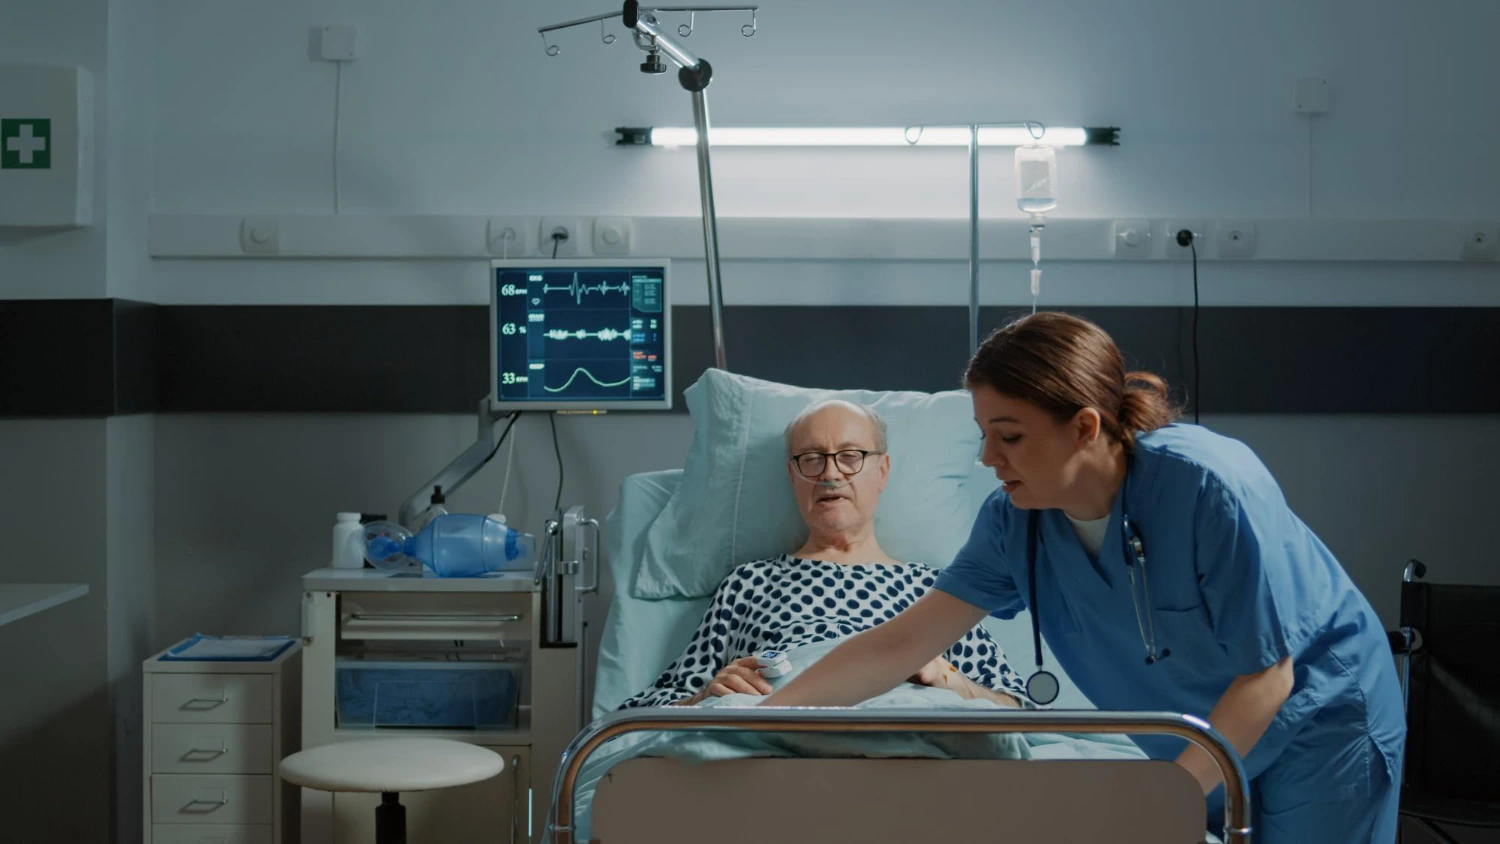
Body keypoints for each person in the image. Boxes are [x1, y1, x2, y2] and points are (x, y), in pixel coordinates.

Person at [763, 313, 1405, 843]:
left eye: (1009, 436)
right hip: (1197, 736)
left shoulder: (1207, 487)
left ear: (1085, 427)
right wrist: (759, 717)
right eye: (984, 435)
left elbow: (1270, 672)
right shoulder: (1015, 521)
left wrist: (1165, 799)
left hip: (1320, 720)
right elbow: (902, 643)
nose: (988, 459)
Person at [619, 399, 1025, 709]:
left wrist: (951, 681)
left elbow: (1019, 709)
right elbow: (648, 711)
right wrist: (706, 696)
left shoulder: (933, 588)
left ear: (882, 471)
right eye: (811, 459)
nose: (830, 474)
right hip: (776, 736)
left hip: (905, 722)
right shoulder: (750, 582)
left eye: (850, 457)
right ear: (792, 475)